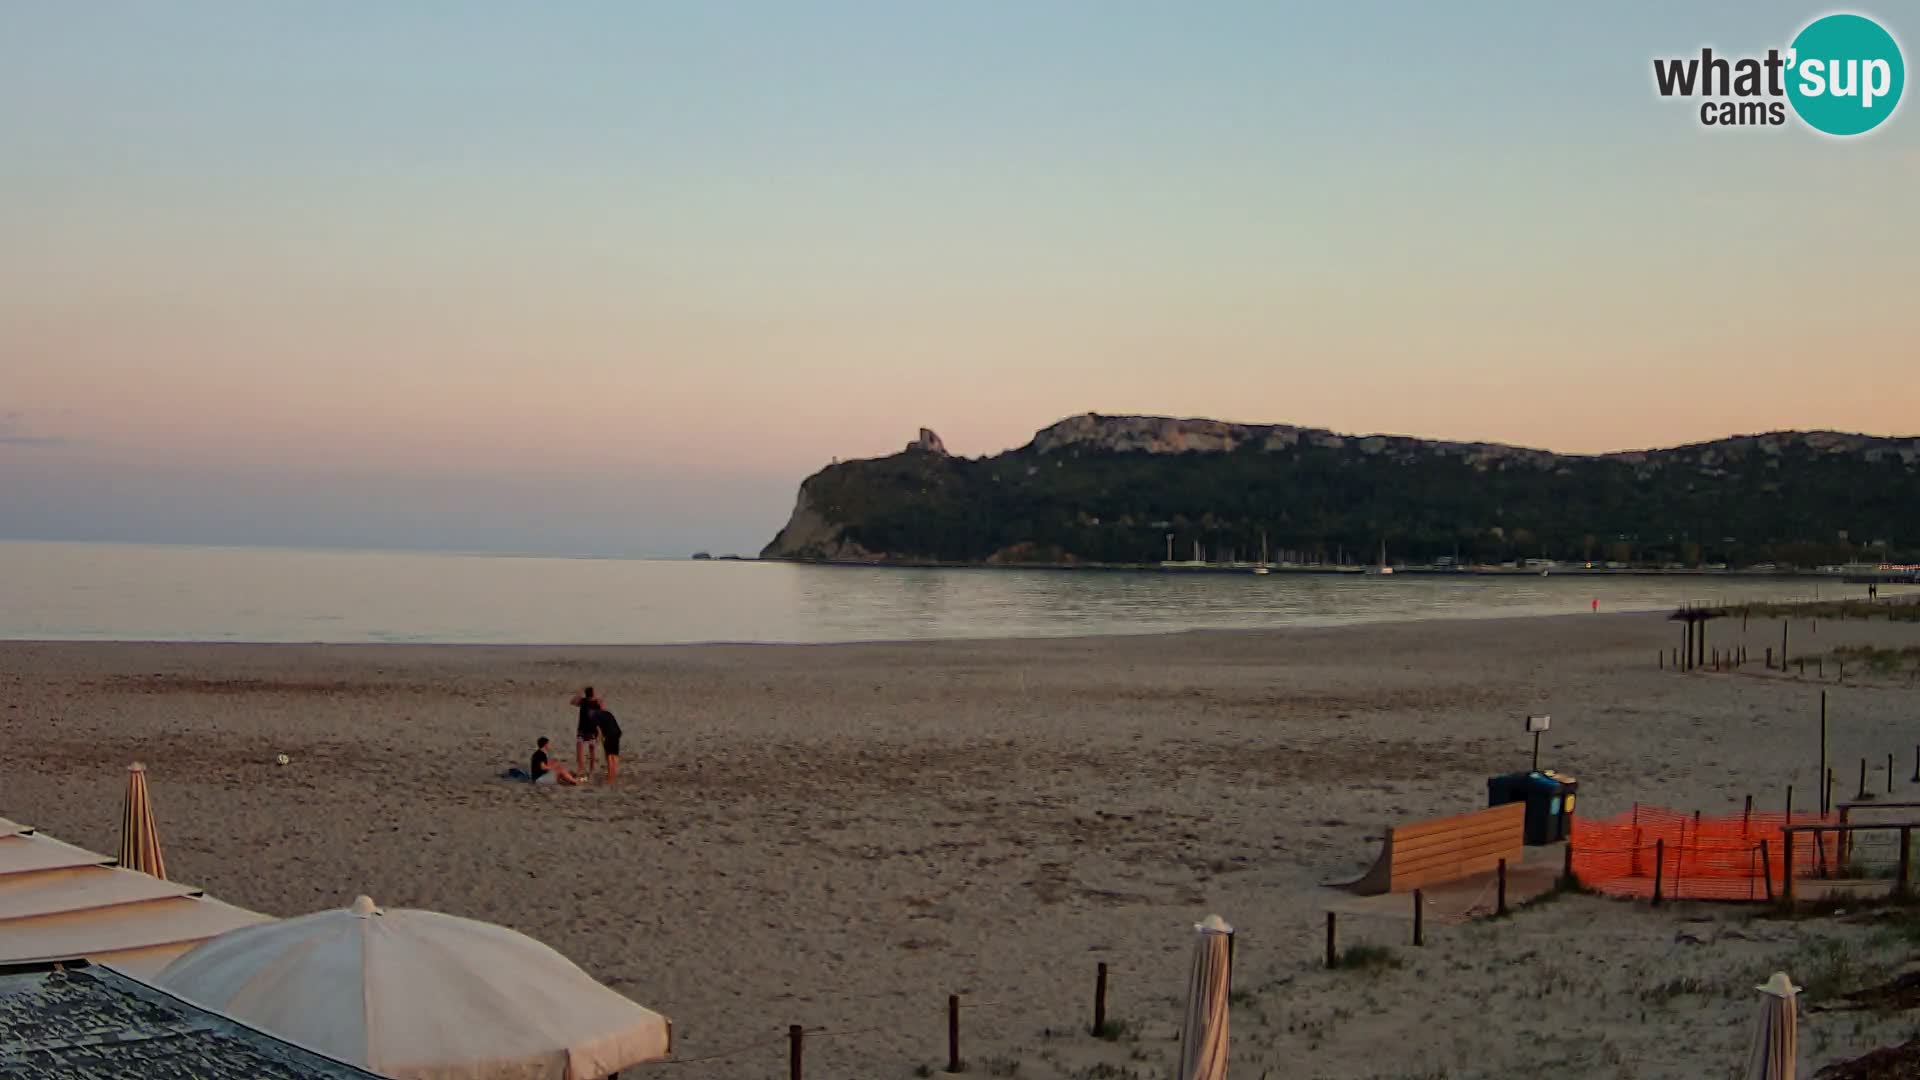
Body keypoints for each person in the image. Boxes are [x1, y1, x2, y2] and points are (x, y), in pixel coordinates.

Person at [570, 686, 602, 775]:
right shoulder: (583, 701)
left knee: (591, 748)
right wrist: (580, 693)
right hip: (583, 728)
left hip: (592, 729)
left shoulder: (596, 702)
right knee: (580, 746)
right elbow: (572, 702)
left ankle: (591, 769)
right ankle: (580, 767)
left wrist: (600, 731)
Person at [594, 707, 623, 785]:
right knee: (615, 754)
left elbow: (598, 730)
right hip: (617, 732)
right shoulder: (607, 713)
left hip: (609, 734)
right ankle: (614, 775)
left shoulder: (594, 715)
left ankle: (610, 778)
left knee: (609, 756)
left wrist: (597, 740)